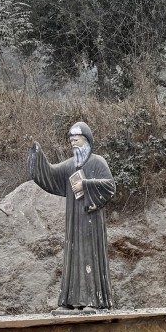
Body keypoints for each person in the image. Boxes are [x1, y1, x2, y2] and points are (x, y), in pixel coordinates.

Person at [28, 121, 116, 312]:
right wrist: (37, 156)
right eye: (71, 140)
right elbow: (50, 175)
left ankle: (93, 300)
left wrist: (85, 185)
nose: (73, 143)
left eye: (77, 139)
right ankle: (70, 302)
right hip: (73, 223)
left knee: (89, 256)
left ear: (87, 140)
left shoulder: (98, 162)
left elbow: (110, 186)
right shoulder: (70, 165)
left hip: (91, 221)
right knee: (73, 257)